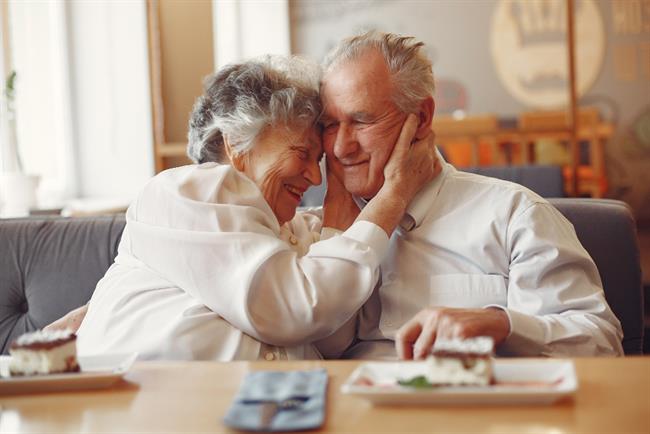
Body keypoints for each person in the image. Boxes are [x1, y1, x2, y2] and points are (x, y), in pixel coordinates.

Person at [72, 55, 437, 360]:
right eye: (301, 154)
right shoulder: (189, 191)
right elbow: (297, 309)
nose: (314, 176)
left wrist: (336, 227)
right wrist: (392, 199)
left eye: (320, 160)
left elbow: (331, 336)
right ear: (236, 145)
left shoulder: (295, 231)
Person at [315, 31, 623, 359]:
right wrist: (341, 229)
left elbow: (602, 343)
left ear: (421, 118)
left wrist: (501, 324)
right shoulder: (314, 230)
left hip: (479, 405)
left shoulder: (514, 214)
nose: (340, 147)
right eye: (330, 125)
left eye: (361, 120)